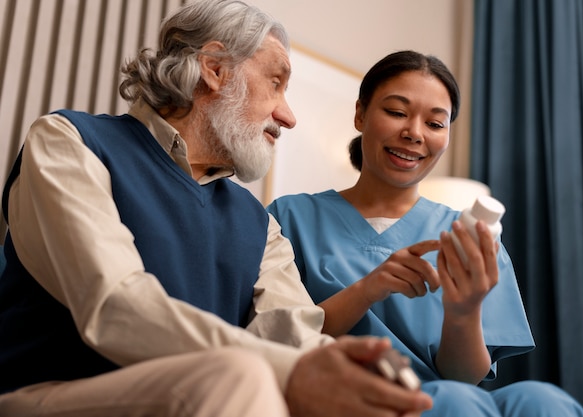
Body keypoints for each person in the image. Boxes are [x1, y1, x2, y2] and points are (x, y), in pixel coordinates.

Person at [0, 2, 434, 416]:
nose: (288, 116)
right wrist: (298, 373)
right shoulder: (69, 141)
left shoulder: (257, 222)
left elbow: (294, 335)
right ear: (214, 69)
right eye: (276, 83)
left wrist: (363, 379)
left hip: (203, 396)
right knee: (240, 376)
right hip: (48, 392)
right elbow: (115, 306)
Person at [267, 50, 583, 416]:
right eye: (396, 112)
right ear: (360, 114)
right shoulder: (288, 218)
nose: (414, 133)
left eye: (435, 124)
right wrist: (367, 290)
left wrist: (464, 312)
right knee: (454, 403)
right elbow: (276, 337)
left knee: (541, 400)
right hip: (348, 399)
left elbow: (465, 378)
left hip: (453, 399)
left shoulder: (471, 240)